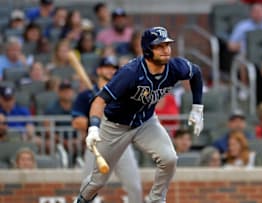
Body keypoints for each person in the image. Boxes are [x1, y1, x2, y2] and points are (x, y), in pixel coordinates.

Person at [73, 26, 204, 203]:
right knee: (98, 180)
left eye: (167, 45)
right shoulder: (130, 73)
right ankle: (81, 200)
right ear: (148, 50)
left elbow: (195, 72)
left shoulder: (174, 67)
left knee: (169, 158)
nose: (166, 50)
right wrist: (94, 127)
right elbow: (99, 100)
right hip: (115, 126)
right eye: (159, 46)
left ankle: (156, 200)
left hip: (146, 122)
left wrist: (197, 107)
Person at [71, 56, 143, 203]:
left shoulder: (123, 94)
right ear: (99, 70)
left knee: (135, 187)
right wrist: (97, 122)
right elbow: (77, 122)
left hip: (121, 144)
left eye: (114, 68)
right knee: (87, 187)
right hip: (96, 147)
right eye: (107, 67)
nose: (111, 71)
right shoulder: (86, 96)